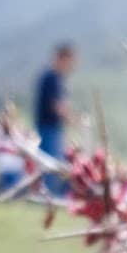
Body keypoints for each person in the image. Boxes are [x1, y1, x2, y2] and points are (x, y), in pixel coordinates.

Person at [34, 42, 76, 195]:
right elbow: (56, 105)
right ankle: (50, 196)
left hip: (49, 127)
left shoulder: (51, 77)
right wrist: (71, 119)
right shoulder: (52, 77)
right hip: (49, 128)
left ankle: (49, 193)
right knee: (51, 164)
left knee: (50, 163)